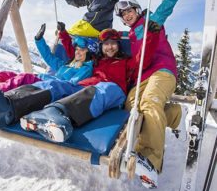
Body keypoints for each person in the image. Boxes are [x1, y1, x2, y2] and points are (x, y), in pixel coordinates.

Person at [113, 0, 188, 188]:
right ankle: (174, 114)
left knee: (150, 104)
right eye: (123, 14)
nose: (127, 14)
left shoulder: (152, 21)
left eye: (129, 10)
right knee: (131, 106)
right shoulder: (128, 37)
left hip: (162, 71)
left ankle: (151, 161)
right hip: (142, 78)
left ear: (136, 9)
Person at [20, 27, 159, 143]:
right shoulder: (96, 61)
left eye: (113, 43)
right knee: (57, 84)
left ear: (118, 45)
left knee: (105, 88)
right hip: (84, 87)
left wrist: (152, 34)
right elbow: (75, 52)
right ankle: (14, 103)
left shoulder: (127, 62)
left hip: (112, 92)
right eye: (106, 44)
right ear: (101, 46)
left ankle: (57, 114)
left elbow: (143, 59)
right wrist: (63, 33)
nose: (110, 47)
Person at [0, 23, 94, 135]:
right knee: (11, 75)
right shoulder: (67, 64)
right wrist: (39, 40)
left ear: (89, 53)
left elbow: (70, 85)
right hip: (44, 80)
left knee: (24, 78)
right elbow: (49, 57)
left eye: (82, 50)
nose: (78, 52)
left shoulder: (85, 69)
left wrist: (48, 80)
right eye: (77, 49)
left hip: (49, 85)